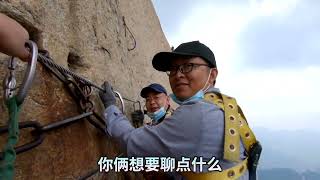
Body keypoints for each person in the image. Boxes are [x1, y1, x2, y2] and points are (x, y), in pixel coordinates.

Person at [99, 41, 260, 180]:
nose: (177, 75)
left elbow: (131, 142)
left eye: (188, 66)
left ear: (212, 75)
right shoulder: (227, 107)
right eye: (173, 69)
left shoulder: (197, 114)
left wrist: (110, 106)